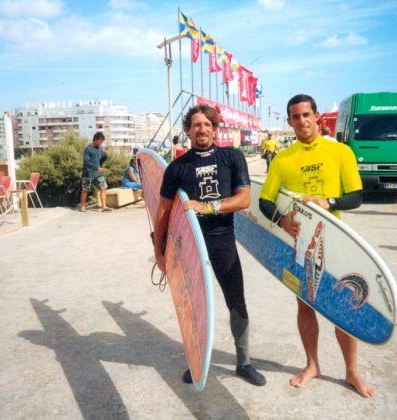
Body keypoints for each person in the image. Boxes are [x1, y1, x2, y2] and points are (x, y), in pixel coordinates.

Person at [258, 94, 374, 397]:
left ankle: (351, 371)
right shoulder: (283, 159)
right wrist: (282, 221)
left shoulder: (340, 152)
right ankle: (312, 364)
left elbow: (357, 196)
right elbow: (264, 201)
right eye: (295, 117)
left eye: (306, 115)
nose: (302, 121)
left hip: (335, 241)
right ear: (289, 122)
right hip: (300, 244)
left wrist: (330, 201)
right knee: (305, 304)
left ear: (317, 116)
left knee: (342, 308)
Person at [153, 104, 266, 386]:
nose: (201, 128)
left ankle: (244, 363)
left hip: (221, 241)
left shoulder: (231, 157)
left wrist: (207, 207)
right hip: (189, 245)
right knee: (193, 307)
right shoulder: (177, 168)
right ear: (188, 130)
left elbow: (243, 200)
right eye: (195, 124)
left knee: (236, 301)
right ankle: (197, 361)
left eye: (206, 124)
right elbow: (164, 213)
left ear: (215, 128)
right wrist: (159, 251)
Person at [80, 132, 111, 212]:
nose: (101, 143)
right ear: (96, 140)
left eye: (102, 142)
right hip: (88, 173)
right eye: (100, 141)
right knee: (85, 190)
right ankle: (82, 206)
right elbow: (86, 162)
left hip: (98, 174)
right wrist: (96, 168)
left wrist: (105, 156)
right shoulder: (88, 149)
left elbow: (101, 160)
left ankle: (104, 206)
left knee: (103, 188)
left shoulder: (100, 148)